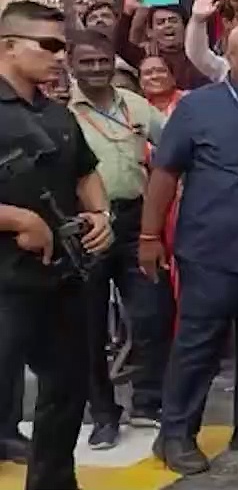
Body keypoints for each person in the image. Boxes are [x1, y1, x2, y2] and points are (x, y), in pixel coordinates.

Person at [138, 23, 238, 475]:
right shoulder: (197, 108)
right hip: (210, 253)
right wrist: (149, 237)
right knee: (198, 347)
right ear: (228, 57)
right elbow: (165, 174)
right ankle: (175, 433)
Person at [0, 1, 114, 490]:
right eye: (48, 46)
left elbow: (85, 171)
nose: (59, 56)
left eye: (62, 47)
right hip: (5, 282)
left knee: (66, 392)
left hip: (60, 278)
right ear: (9, 46)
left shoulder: (56, 113)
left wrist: (101, 215)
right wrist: (15, 218)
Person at [64, 29, 172, 449]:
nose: (96, 69)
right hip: (85, 227)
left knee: (153, 313)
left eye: (103, 61)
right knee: (89, 327)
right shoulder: (60, 112)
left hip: (134, 222)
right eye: (86, 62)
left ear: (114, 62)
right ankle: (104, 414)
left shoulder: (136, 105)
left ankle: (148, 401)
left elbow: (173, 146)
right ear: (72, 64)